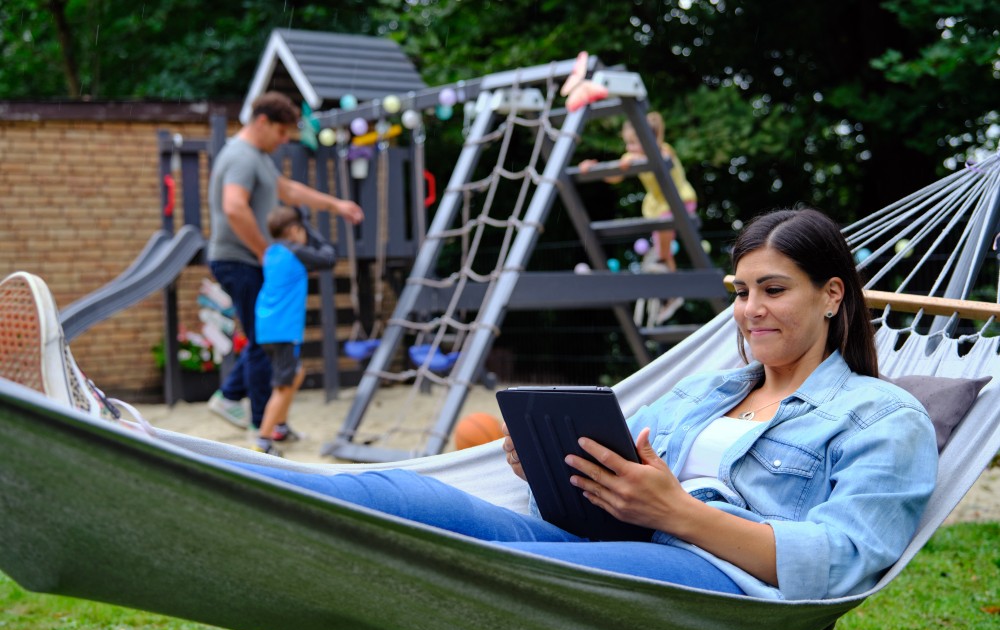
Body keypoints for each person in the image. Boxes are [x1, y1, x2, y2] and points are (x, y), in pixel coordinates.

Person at [216, 207, 938, 600]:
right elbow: (626, 478)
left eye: (773, 289)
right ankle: (195, 475)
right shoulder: (709, 388)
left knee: (480, 570)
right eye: (741, 291)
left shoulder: (884, 416)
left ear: (832, 293)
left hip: (723, 588)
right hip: (616, 544)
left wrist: (676, 511)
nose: (749, 310)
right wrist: (554, 468)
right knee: (400, 495)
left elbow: (842, 559)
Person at [206, 91, 364, 434]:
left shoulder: (258, 156)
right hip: (239, 260)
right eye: (281, 133)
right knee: (267, 342)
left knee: (264, 340)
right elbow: (234, 207)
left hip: (245, 260)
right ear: (263, 122)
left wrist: (335, 205)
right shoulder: (242, 157)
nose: (283, 141)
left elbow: (289, 191)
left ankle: (248, 407)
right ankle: (259, 419)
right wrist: (264, 251)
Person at [580, 112, 698, 324]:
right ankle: (672, 294)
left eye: (634, 143)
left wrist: (639, 158)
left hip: (680, 200)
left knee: (663, 242)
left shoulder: (663, 150)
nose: (629, 148)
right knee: (664, 246)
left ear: (652, 139)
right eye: (627, 143)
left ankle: (665, 272)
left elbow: (662, 159)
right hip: (658, 206)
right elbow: (615, 175)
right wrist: (592, 169)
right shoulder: (631, 157)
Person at [252, 206, 337, 456]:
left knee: (296, 374)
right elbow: (329, 257)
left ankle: (280, 428)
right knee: (283, 385)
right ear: (293, 230)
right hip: (284, 329)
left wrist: (303, 225)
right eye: (301, 230)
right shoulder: (296, 251)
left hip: (267, 326)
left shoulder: (271, 252)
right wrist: (310, 227)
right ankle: (263, 441)